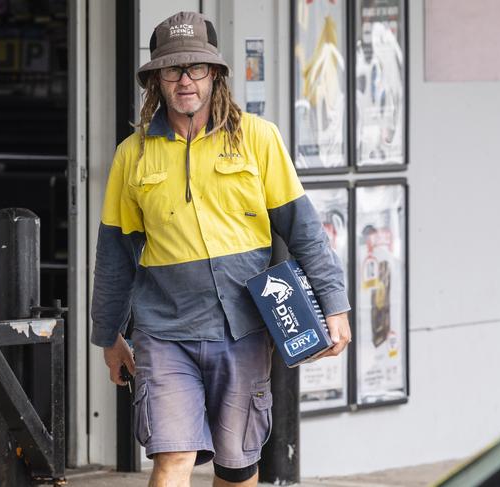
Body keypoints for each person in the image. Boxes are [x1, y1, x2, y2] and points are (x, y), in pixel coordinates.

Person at [90, 11, 351, 487]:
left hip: (245, 329)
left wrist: (334, 305)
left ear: (215, 74)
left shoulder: (258, 139)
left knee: (237, 466)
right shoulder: (134, 153)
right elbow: (114, 255)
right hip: (164, 330)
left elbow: (305, 231)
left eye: (196, 69)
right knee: (172, 456)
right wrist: (108, 336)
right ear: (156, 80)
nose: (185, 81)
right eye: (173, 70)